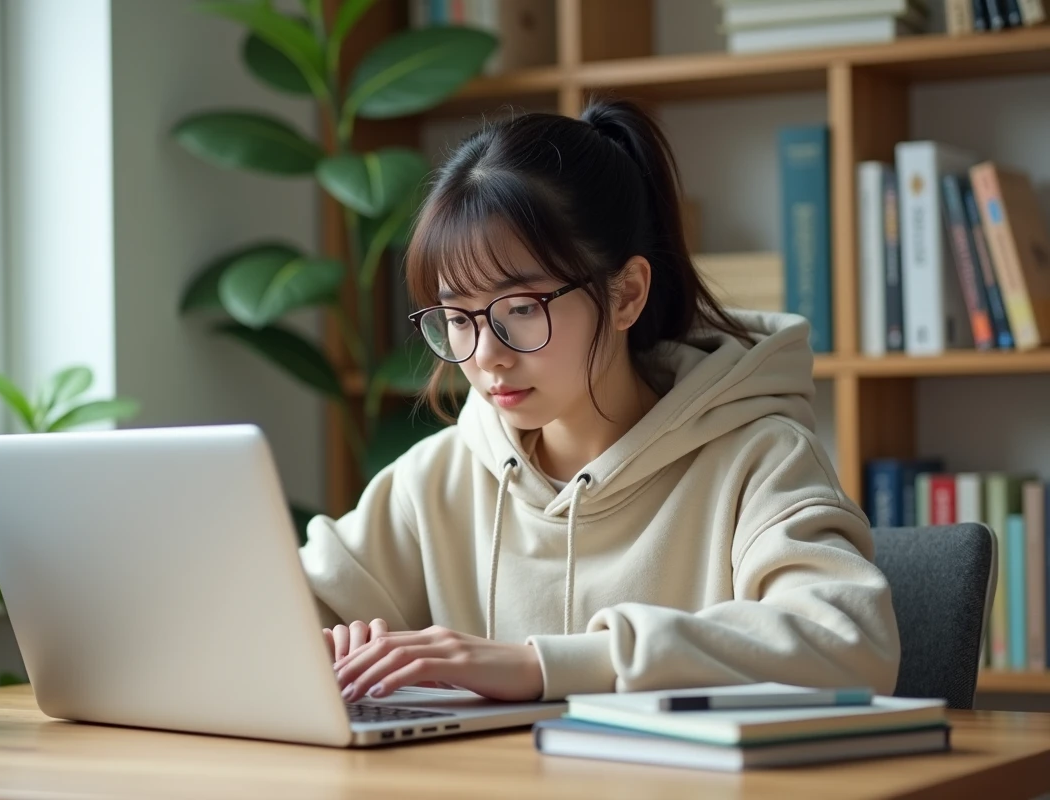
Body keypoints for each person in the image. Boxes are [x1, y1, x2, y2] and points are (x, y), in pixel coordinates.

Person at [299, 97, 901, 705]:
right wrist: (328, 648)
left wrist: (542, 666)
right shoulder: (439, 477)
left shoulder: (758, 459)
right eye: (457, 317)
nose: (486, 356)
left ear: (625, 295)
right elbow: (266, 616)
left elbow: (850, 642)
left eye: (522, 310)